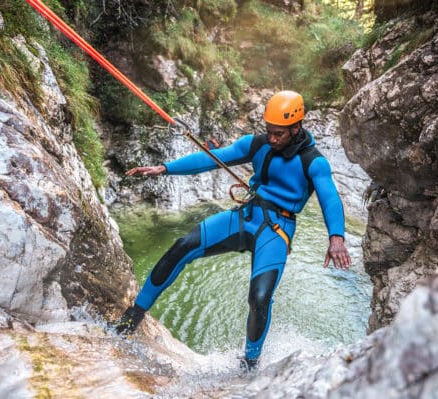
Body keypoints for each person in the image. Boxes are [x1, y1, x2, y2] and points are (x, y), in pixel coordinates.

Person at [115, 90, 351, 371]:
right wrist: (165, 168)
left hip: (277, 231)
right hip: (247, 215)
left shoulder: (314, 161)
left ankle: (250, 364)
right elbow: (214, 157)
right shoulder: (258, 144)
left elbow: (329, 197)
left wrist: (336, 237)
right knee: (183, 245)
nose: (272, 139)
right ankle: (131, 320)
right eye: (269, 132)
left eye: (279, 134)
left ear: (296, 128)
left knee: (260, 297)